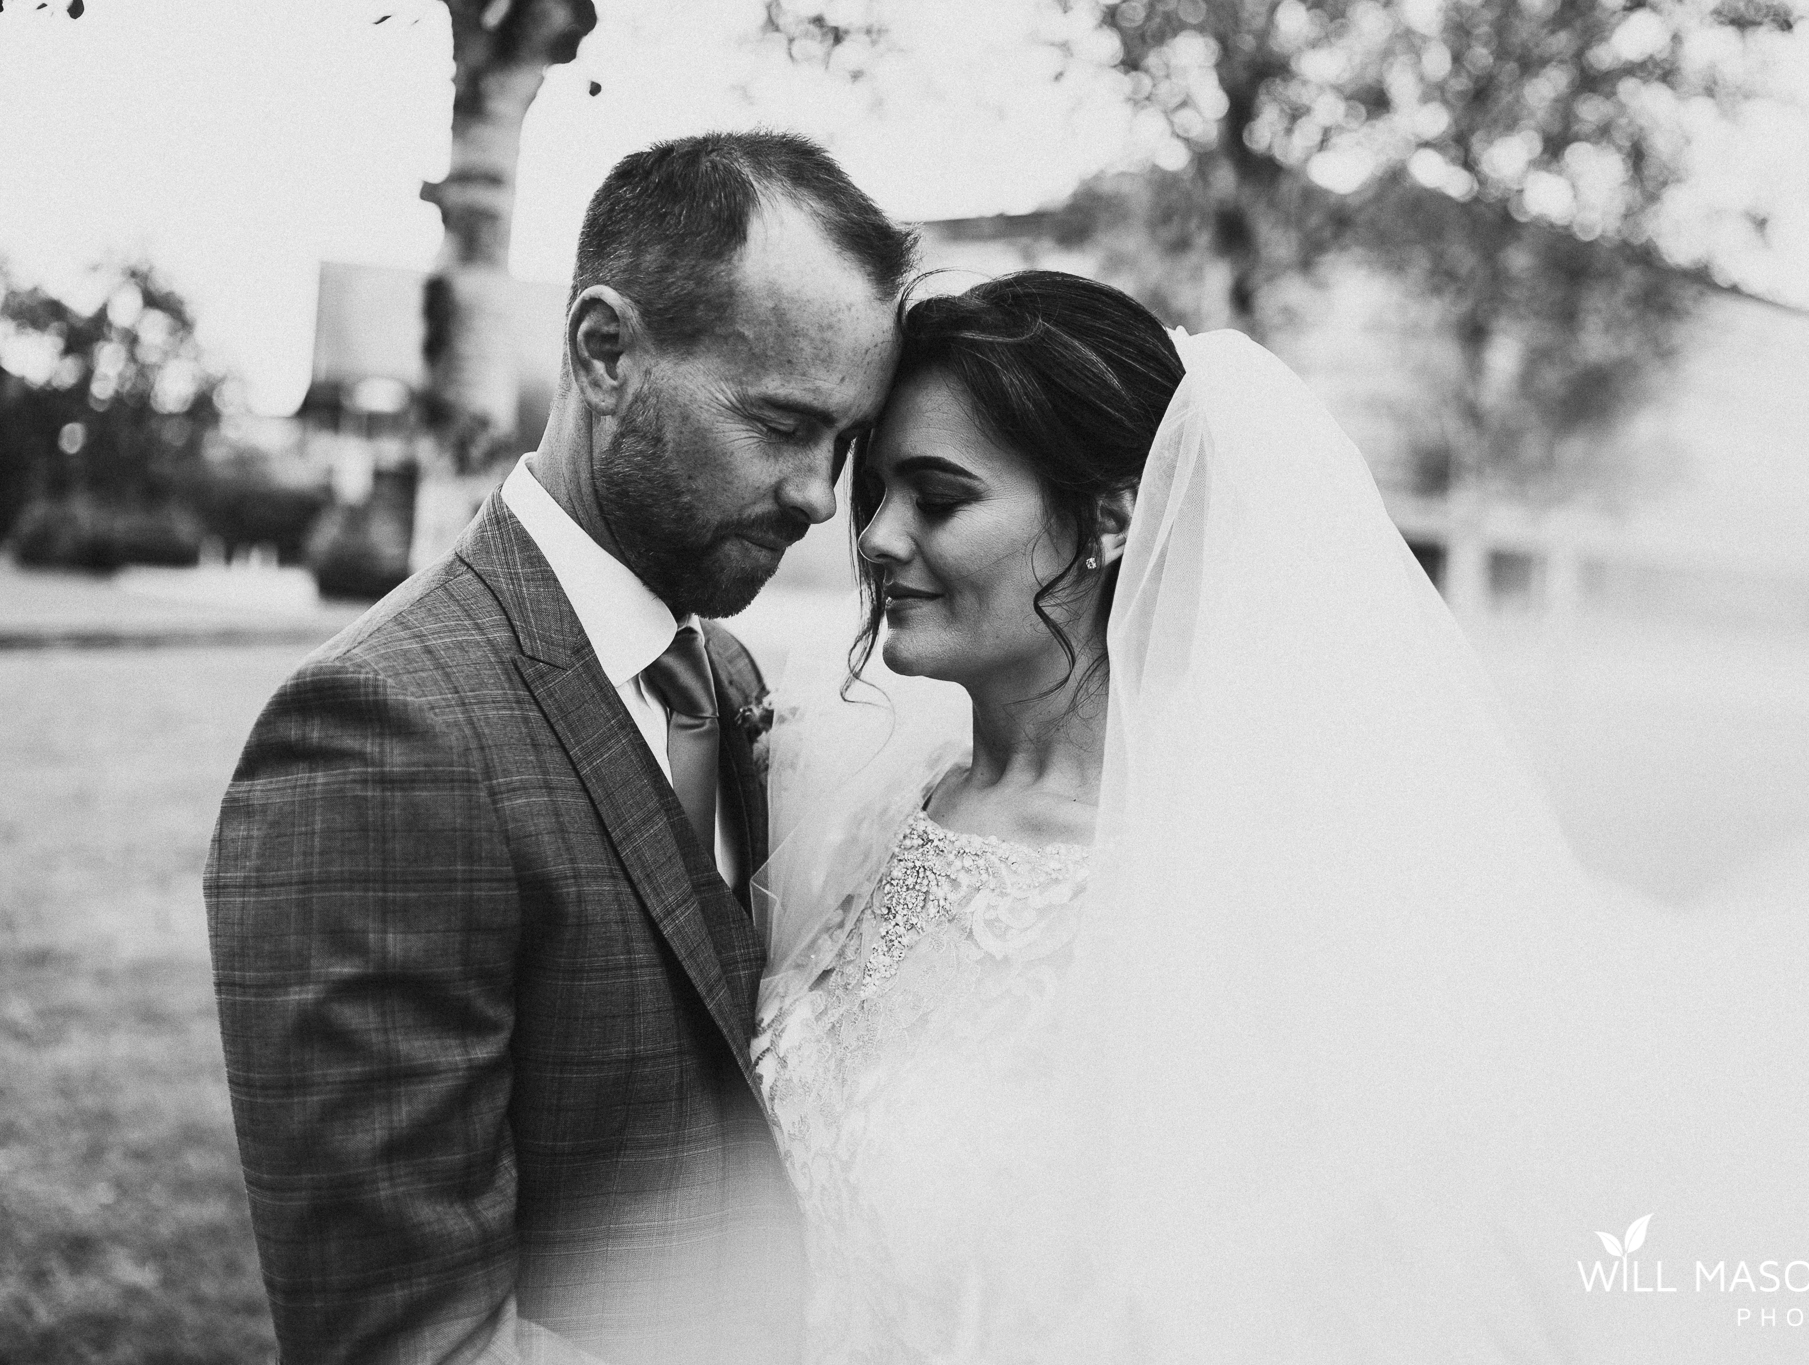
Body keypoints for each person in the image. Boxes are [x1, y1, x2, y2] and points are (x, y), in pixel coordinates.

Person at [749, 272, 1609, 1362]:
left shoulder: (1229, 900)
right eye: (873, 492)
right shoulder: (869, 811)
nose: (872, 536)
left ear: (1112, 517)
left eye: (937, 496)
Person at [206, 132, 914, 1365]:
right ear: (604, 351)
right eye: (781, 423)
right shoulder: (382, 740)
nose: (816, 498)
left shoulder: (725, 680)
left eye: (844, 444)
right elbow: (407, 1341)